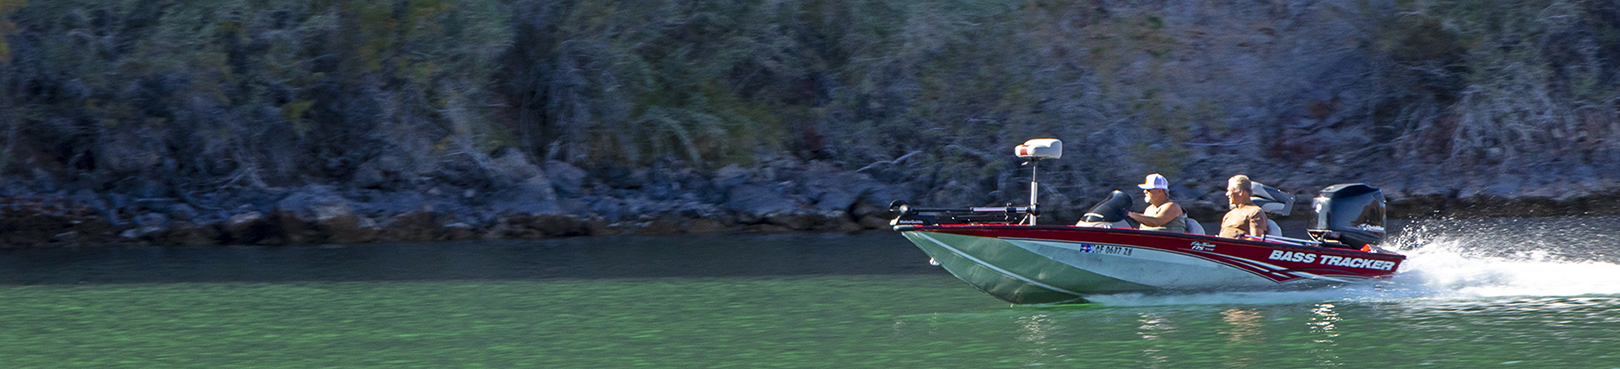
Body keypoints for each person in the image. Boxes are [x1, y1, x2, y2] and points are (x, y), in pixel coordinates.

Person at [1220, 174, 1269, 239]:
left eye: (1229, 191)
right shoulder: (1228, 215)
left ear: (1240, 192)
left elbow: (1256, 240)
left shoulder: (1255, 212)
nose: (1227, 194)